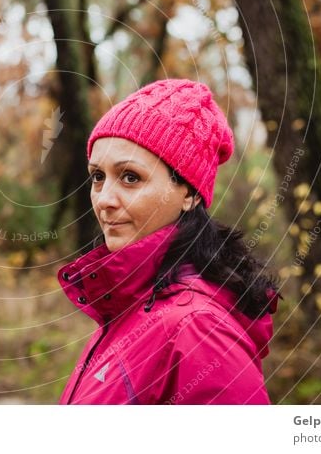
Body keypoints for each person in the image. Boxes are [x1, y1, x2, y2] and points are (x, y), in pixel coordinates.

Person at [57, 78, 279, 405]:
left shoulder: (198, 328)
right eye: (98, 176)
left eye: (130, 177)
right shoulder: (132, 301)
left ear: (188, 193)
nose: (104, 199)